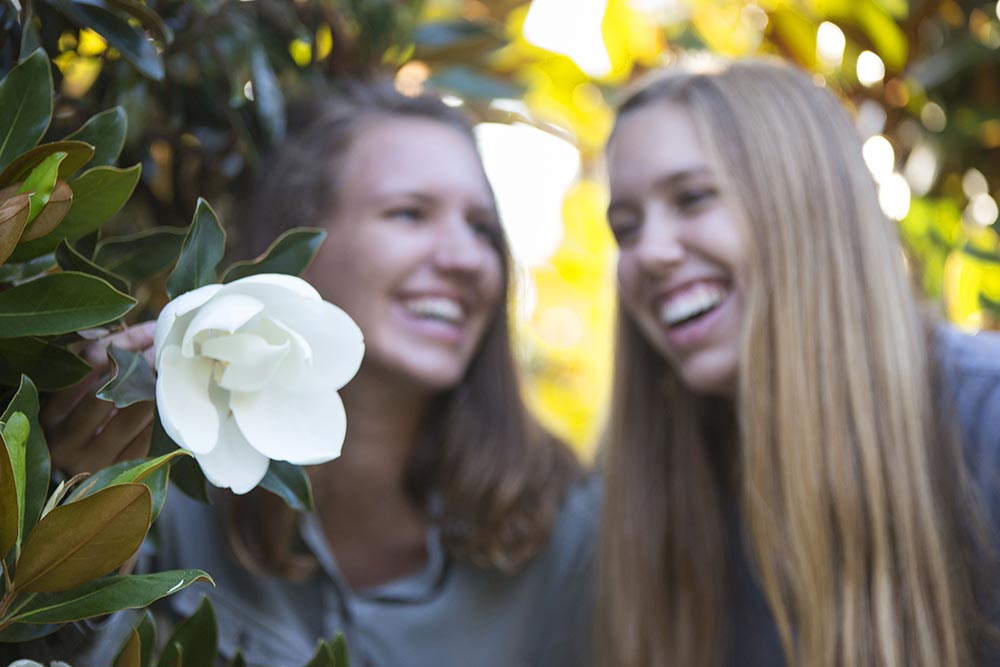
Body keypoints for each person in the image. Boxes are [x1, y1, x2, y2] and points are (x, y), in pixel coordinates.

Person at [49, 83, 597, 667]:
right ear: (301, 246)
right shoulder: (166, 483)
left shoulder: (564, 530)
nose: (465, 258)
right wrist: (81, 547)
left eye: (483, 229)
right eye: (409, 214)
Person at [598, 57, 1000, 667]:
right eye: (625, 229)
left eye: (693, 198)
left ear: (806, 204)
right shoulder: (653, 490)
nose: (648, 252)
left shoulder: (985, 419)